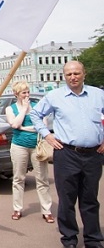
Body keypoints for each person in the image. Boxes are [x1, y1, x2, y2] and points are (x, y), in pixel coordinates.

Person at [29, 60, 104, 248]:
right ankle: (69, 239)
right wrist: (47, 136)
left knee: (90, 200)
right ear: (64, 76)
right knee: (67, 199)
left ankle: (93, 239)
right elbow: (35, 114)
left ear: (84, 74)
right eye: (69, 74)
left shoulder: (98, 95)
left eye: (77, 73)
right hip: (67, 154)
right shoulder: (54, 96)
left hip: (93, 155)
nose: (73, 77)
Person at [5, 81, 53, 223]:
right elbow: (15, 124)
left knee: (42, 178)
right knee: (19, 178)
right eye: (23, 93)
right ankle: (17, 208)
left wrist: (25, 126)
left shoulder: (36, 107)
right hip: (19, 145)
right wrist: (24, 110)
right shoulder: (10, 109)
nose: (27, 95)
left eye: (27, 92)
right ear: (16, 94)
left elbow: (43, 125)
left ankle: (47, 210)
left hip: (37, 146)